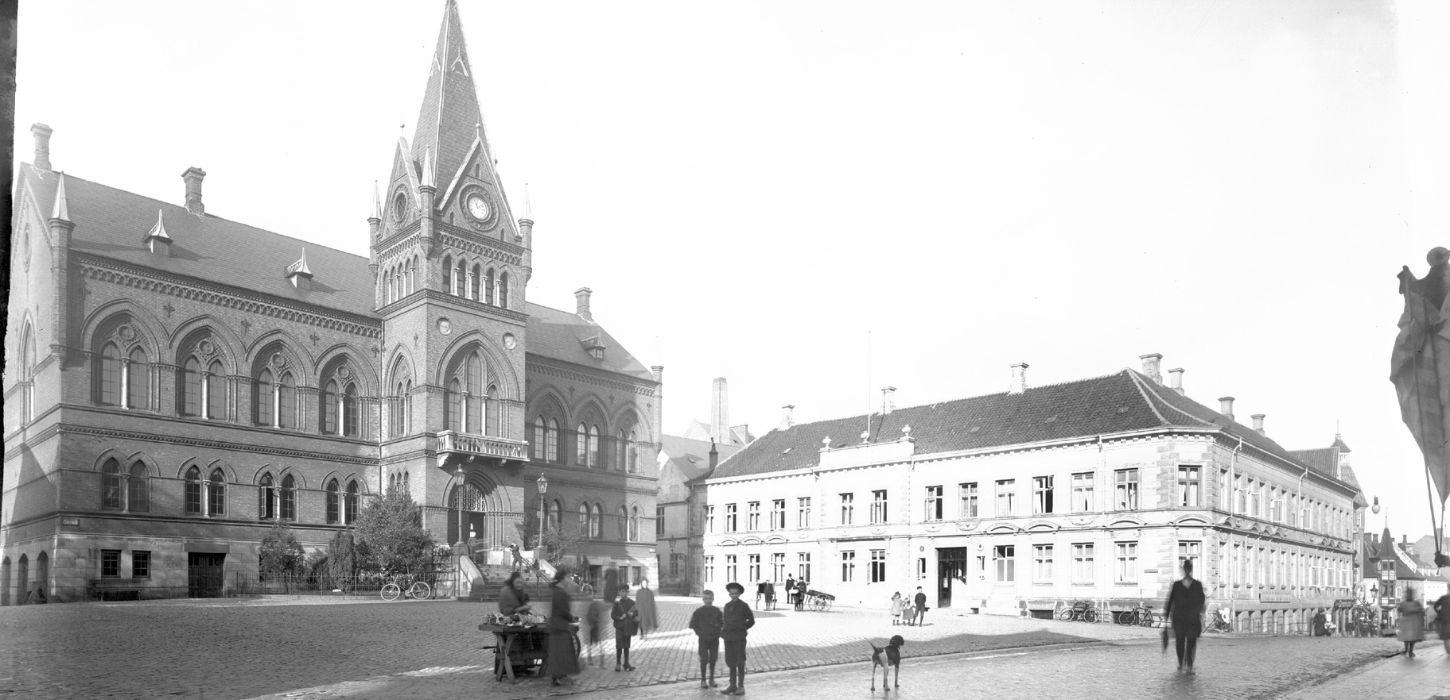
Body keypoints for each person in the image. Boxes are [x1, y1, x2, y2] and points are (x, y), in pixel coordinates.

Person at [1163, 559, 1206, 673]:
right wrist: (1166, 616)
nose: (1187, 570)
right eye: (1186, 568)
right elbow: (1170, 601)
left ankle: (1189, 664)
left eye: (1188, 568)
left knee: (1191, 642)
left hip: (1192, 620)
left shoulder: (1197, 585)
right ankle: (1181, 663)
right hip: (1179, 619)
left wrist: (1198, 610)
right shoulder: (1177, 585)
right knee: (1180, 642)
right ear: (1185, 569)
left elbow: (1202, 600)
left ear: (1190, 569)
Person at [542, 568, 580, 687]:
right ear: (563, 578)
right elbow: (563, 610)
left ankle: (559, 676)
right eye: (568, 577)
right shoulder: (560, 592)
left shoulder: (556, 590)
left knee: (559, 651)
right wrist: (571, 618)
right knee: (561, 652)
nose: (569, 580)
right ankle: (557, 676)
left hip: (557, 625)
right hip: (560, 625)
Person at [721, 581, 755, 696]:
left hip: (739, 638)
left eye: (735, 593)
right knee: (730, 661)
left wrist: (742, 627)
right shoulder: (727, 606)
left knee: (740, 661)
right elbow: (724, 621)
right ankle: (732, 685)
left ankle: (741, 686)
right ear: (729, 594)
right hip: (728, 637)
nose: (733, 595)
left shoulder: (743, 606)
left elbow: (751, 621)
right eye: (731, 594)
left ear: (739, 594)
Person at [690, 589, 724, 688]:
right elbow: (693, 624)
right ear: (703, 599)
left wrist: (718, 632)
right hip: (703, 640)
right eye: (706, 598)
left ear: (713, 599)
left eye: (710, 598)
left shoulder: (717, 611)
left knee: (713, 659)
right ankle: (703, 680)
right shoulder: (699, 611)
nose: (708, 600)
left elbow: (722, 623)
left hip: (714, 639)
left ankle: (712, 679)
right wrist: (700, 633)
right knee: (704, 659)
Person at [611, 583, 639, 671]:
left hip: (628, 627)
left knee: (627, 646)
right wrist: (619, 617)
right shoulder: (616, 603)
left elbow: (637, 613)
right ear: (619, 592)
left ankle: (626, 663)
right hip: (619, 627)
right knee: (619, 646)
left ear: (628, 592)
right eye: (622, 592)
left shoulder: (632, 603)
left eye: (626, 592)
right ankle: (618, 663)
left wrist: (632, 614)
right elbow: (612, 615)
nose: (625, 593)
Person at [1397, 588, 1425, 658]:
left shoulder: (1416, 603)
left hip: (1413, 622)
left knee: (1412, 638)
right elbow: (1399, 609)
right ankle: (1407, 649)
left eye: (1410, 594)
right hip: (1406, 622)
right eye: (1408, 594)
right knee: (1406, 638)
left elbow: (1421, 610)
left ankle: (1410, 651)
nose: (1409, 595)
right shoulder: (1404, 603)